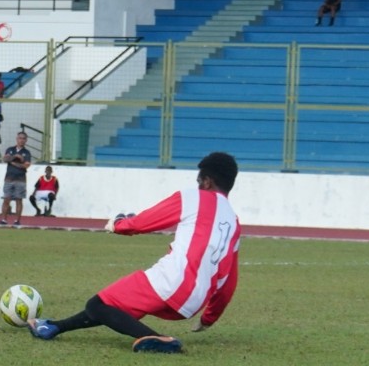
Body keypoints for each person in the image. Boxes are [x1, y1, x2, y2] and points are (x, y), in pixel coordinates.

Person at [28, 152, 241, 355]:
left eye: (198, 181)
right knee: (112, 307)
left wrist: (119, 225)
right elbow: (229, 281)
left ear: (206, 182)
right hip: (194, 301)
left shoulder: (195, 198)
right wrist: (208, 318)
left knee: (97, 305)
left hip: (172, 281)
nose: (197, 185)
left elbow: (146, 221)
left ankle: (158, 339)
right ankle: (53, 327)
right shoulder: (234, 222)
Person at [0, 132, 31, 226]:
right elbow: (5, 159)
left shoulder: (26, 152)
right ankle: (3, 219)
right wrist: (15, 157)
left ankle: (17, 220)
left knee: (19, 200)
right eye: (20, 138)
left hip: (20, 179)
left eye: (24, 138)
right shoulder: (10, 149)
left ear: (26, 140)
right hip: (9, 178)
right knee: (6, 199)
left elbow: (26, 165)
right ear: (17, 139)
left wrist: (13, 163)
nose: (21, 140)